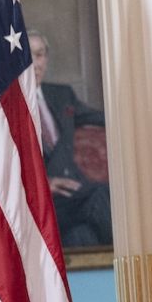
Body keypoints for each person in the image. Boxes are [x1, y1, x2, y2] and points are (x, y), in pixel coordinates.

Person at [25, 30, 112, 248]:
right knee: (99, 195)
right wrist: (45, 184)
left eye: (40, 55)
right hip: (42, 201)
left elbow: (104, 118)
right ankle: (133, 254)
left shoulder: (62, 95)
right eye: (28, 55)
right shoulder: (6, 107)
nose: (35, 63)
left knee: (82, 237)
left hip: (74, 194)